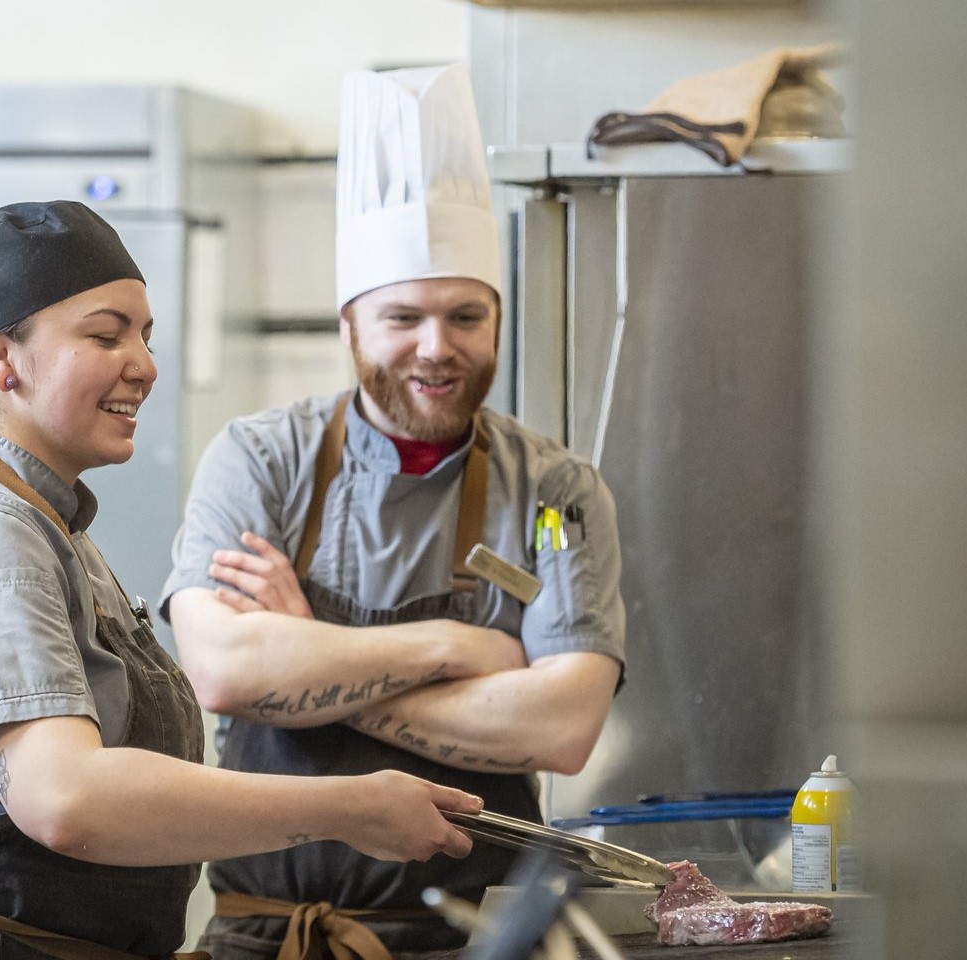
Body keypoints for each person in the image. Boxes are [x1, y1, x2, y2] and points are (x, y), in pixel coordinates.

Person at [0, 200, 484, 960]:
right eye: (106, 334)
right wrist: (348, 807)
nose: (145, 364)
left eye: (145, 335)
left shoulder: (43, 515)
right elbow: (64, 797)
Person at [162, 65, 627, 960]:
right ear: (349, 325)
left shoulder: (557, 491)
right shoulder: (260, 459)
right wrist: (459, 651)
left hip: (481, 942)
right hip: (270, 937)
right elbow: (224, 672)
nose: (436, 347)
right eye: (402, 317)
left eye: (466, 316)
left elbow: (563, 728)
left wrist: (306, 667)